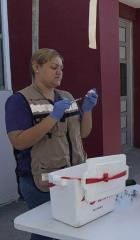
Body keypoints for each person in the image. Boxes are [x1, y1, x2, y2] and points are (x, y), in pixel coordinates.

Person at [5, 48, 98, 240]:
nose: (59, 72)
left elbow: (83, 133)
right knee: (46, 234)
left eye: (61, 68)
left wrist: (87, 110)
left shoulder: (67, 97)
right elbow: (19, 142)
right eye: (54, 67)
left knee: (70, 229)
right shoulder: (19, 100)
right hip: (40, 182)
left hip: (72, 178)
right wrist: (52, 117)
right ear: (36, 67)